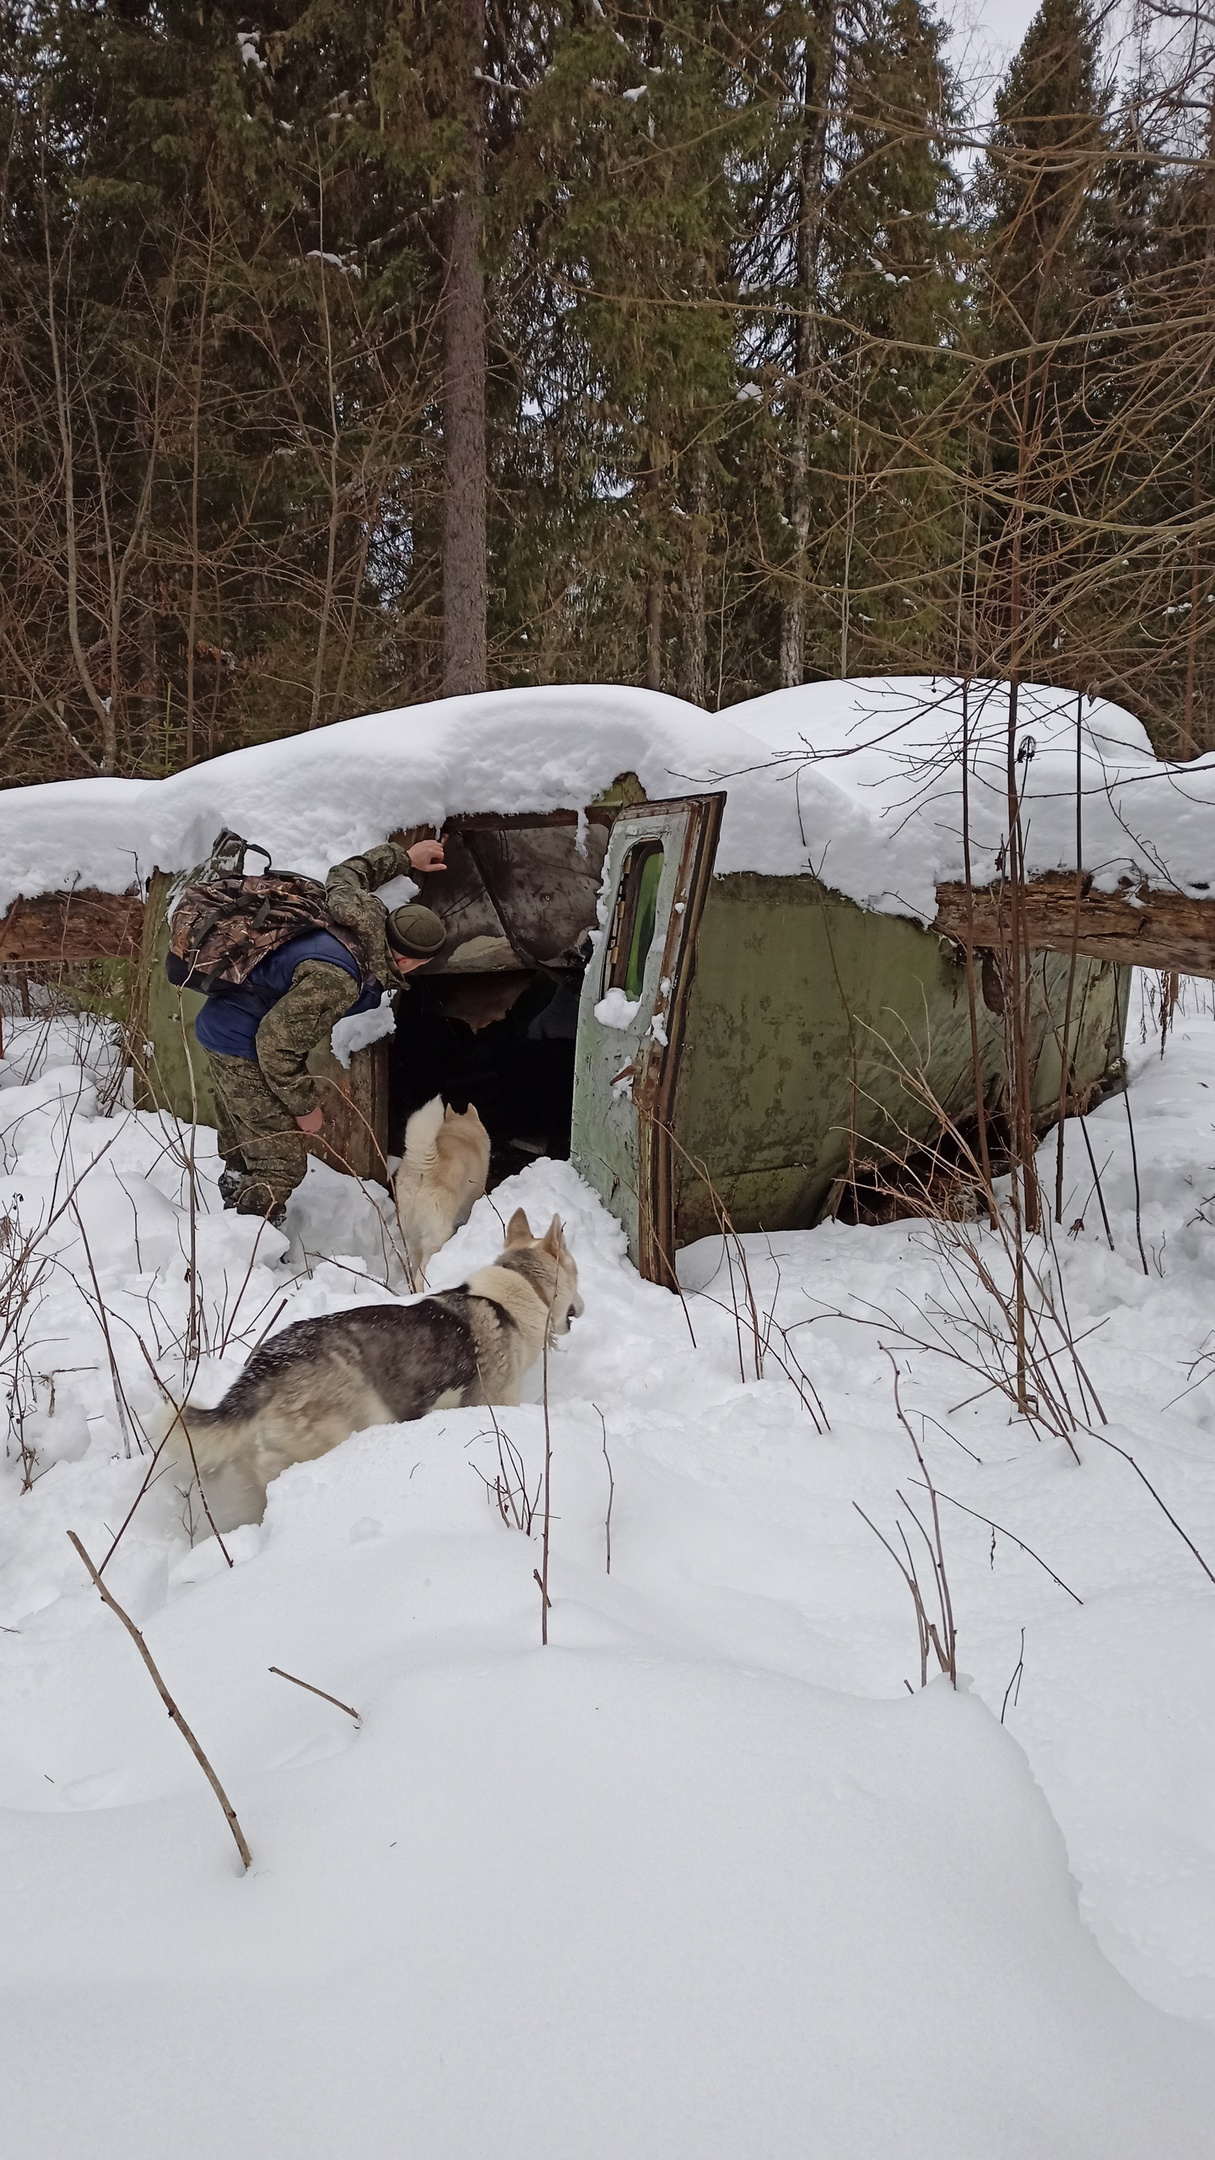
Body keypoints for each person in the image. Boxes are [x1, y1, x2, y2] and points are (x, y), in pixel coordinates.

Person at [194, 838, 447, 1223]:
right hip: (239, 1041)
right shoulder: (338, 978)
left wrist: (405, 858)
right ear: (410, 961)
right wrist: (305, 1106)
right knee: (281, 1164)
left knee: (247, 1137)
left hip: (226, 1023)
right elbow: (276, 1047)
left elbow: (346, 873)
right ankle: (243, 1244)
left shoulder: (356, 911)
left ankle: (232, 1205)